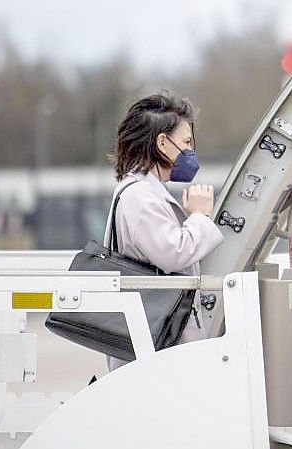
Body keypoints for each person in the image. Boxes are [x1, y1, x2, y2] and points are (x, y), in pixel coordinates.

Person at [104, 91, 224, 371]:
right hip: (157, 342)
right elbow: (174, 253)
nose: (190, 151)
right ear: (162, 143)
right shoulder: (141, 197)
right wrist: (199, 215)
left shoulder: (142, 191)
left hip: (157, 338)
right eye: (185, 142)